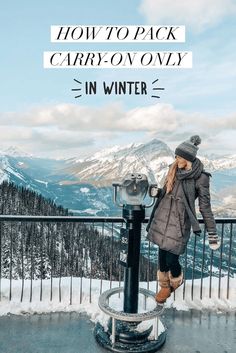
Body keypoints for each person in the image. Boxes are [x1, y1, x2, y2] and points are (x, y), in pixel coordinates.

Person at [146, 135, 220, 304]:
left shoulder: (201, 178)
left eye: (179, 156)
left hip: (179, 223)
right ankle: (164, 286)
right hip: (163, 217)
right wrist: (157, 193)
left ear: (187, 158)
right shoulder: (173, 170)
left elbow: (205, 207)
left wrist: (212, 233)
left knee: (172, 258)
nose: (176, 159)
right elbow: (165, 192)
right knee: (161, 255)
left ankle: (177, 280)